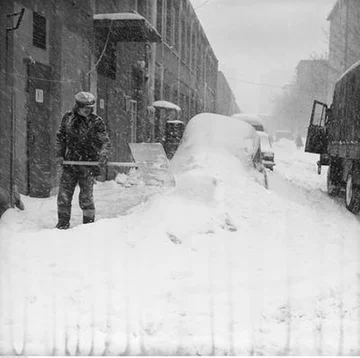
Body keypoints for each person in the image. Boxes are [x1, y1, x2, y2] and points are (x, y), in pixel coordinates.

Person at [55, 92, 111, 230]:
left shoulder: (96, 122)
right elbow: (60, 138)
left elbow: (105, 142)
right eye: (85, 108)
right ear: (78, 106)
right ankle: (62, 223)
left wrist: (103, 156)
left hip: (88, 165)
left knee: (86, 198)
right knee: (64, 196)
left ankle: (88, 226)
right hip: (70, 163)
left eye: (90, 108)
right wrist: (59, 154)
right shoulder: (68, 119)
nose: (88, 110)